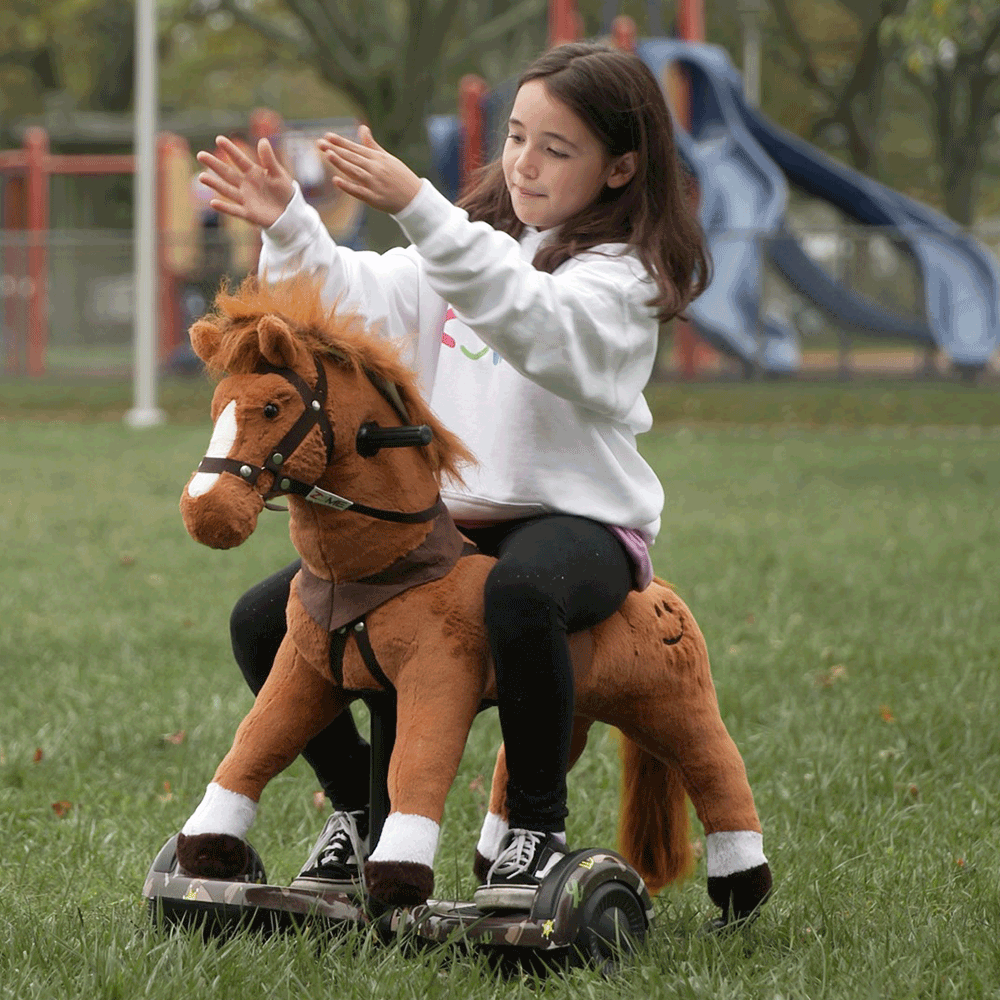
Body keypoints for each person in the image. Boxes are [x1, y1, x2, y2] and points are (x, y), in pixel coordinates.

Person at [195, 41, 709, 909]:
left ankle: (534, 831)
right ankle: (364, 812)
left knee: (520, 595)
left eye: (557, 147)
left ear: (622, 167)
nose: (524, 162)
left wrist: (421, 207)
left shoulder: (622, 281)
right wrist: (290, 226)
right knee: (264, 619)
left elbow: (534, 321)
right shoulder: (473, 248)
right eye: (515, 136)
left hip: (576, 522)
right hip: (444, 524)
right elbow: (355, 304)